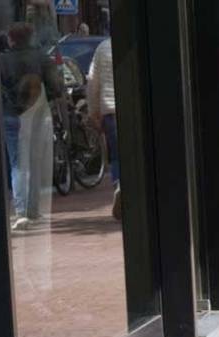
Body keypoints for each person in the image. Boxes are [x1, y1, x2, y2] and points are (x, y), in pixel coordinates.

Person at [0, 21, 62, 231]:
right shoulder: (41, 58)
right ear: (30, 37)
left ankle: (22, 212)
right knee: (34, 160)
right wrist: (51, 98)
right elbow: (56, 84)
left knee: (18, 163)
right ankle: (33, 210)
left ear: (11, 39)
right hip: (35, 114)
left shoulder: (1, 61)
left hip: (10, 116)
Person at [87, 38, 122, 221]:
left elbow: (93, 81)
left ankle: (119, 184)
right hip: (136, 109)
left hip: (110, 110)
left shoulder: (102, 48)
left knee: (116, 155)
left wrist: (93, 111)